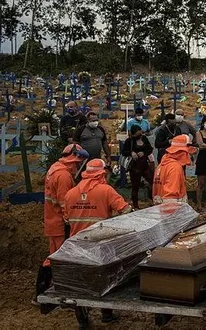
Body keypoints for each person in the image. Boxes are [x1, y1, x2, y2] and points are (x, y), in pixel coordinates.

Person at [64, 158, 131, 329]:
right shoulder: (106, 190)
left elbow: (66, 219)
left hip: (77, 245)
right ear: (102, 173)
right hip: (101, 246)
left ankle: (83, 321)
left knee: (79, 284)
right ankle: (106, 314)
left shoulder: (70, 194)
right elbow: (126, 210)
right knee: (105, 281)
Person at [35, 144, 89, 302]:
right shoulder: (63, 176)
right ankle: (43, 292)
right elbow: (65, 202)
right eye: (77, 164)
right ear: (73, 160)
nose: (77, 168)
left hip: (52, 220)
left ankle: (43, 291)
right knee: (58, 258)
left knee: (54, 256)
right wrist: (70, 220)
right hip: (59, 222)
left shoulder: (54, 169)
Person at [153, 134, 197, 204]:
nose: (190, 156)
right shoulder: (175, 168)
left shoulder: (162, 165)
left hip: (161, 208)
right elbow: (170, 198)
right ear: (183, 152)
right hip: (172, 209)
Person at [121, 125, 155, 209]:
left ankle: (151, 199)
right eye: (138, 134)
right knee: (135, 186)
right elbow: (124, 152)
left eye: (141, 133)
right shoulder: (129, 141)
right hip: (135, 167)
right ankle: (136, 205)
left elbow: (150, 149)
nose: (140, 135)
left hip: (145, 164)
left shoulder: (144, 138)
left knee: (153, 182)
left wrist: (144, 153)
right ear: (133, 134)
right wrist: (131, 153)